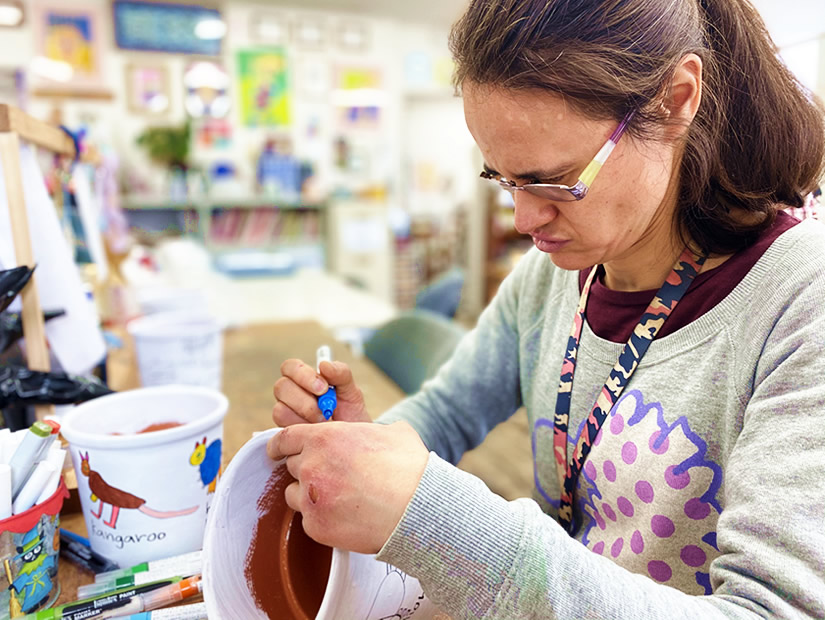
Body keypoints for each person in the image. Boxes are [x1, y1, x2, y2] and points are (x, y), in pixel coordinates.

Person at [268, 0, 825, 617]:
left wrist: (438, 521)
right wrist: (366, 449)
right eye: (503, 179)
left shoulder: (802, 301)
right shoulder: (552, 278)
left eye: (555, 180)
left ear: (675, 100)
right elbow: (448, 410)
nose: (524, 219)